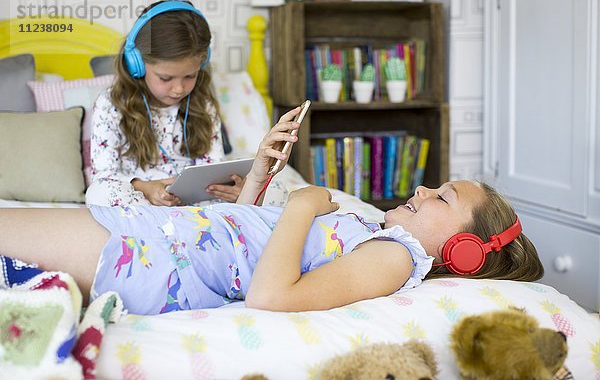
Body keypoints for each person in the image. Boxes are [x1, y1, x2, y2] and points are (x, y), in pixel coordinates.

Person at [0, 105, 544, 314]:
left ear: (465, 251)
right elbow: (250, 244)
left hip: (150, 259)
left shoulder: (396, 259)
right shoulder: (376, 230)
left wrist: (303, 205)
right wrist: (260, 174)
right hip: (162, 236)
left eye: (442, 197)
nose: (423, 190)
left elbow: (268, 294)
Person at [86, 0, 242, 207]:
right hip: (140, 200)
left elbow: (212, 168)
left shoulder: (203, 105)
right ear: (137, 64)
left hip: (191, 204)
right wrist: (145, 188)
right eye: (166, 78)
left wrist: (230, 188)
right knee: (99, 193)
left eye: (190, 76)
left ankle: (184, 226)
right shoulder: (111, 104)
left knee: (271, 189)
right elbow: (104, 175)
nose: (179, 89)